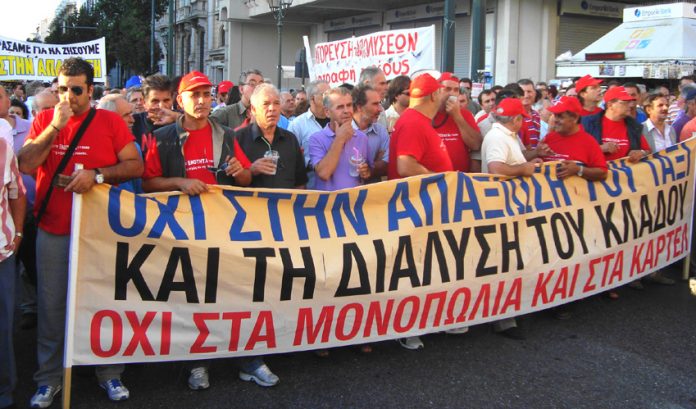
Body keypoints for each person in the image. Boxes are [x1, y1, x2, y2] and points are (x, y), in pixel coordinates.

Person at [18, 57, 143, 407]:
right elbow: (26, 164)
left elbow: (135, 164)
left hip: (100, 232)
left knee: (104, 302)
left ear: (90, 90)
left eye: (75, 90)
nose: (68, 96)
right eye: (61, 89)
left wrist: (97, 175)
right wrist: (54, 128)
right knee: (52, 306)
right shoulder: (45, 120)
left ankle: (109, 373)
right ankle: (48, 379)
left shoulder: (108, 121)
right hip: (54, 230)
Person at [388, 73, 452, 350]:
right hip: (416, 209)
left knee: (425, 267)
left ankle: (421, 321)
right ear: (435, 95)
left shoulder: (417, 121)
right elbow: (405, 166)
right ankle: (407, 326)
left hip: (425, 209)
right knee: (413, 269)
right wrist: (439, 180)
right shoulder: (414, 122)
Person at [237, 83, 308, 189]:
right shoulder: (239, 138)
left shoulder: (290, 140)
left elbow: (300, 182)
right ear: (253, 109)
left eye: (276, 103)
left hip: (285, 204)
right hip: (251, 204)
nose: (272, 108)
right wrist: (251, 170)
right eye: (266, 104)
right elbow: (229, 183)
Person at [0, 120, 26, 409]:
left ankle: (4, 392)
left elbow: (17, 194)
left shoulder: (3, 148)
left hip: (2, 254)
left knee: (2, 328)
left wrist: (17, 234)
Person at [309, 86, 372, 191]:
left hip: (354, 203)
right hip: (328, 204)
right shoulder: (316, 139)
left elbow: (369, 170)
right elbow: (324, 173)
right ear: (327, 112)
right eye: (340, 107)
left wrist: (366, 172)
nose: (346, 111)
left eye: (349, 105)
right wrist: (340, 139)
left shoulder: (362, 138)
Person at [542, 96, 608, 181]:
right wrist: (536, 156)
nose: (555, 120)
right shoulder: (548, 138)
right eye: (555, 116)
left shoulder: (588, 142)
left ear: (575, 118)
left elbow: (603, 173)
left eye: (560, 116)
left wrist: (579, 170)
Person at [581, 86, 651, 163]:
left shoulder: (634, 125)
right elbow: (576, 149)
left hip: (624, 173)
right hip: (596, 172)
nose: (630, 105)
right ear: (610, 105)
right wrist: (600, 148)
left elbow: (647, 150)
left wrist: (641, 153)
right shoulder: (587, 123)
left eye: (630, 102)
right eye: (625, 102)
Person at [433, 72, 482, 173]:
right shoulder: (428, 113)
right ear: (437, 90)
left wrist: (457, 116)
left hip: (460, 179)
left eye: (456, 90)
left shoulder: (465, 114)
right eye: (447, 89)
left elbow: (476, 145)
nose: (452, 93)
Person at [287, 79, 330, 188]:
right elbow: (290, 156)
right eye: (325, 95)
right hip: (310, 184)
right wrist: (310, 162)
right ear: (312, 98)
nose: (329, 98)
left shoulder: (337, 121)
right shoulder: (297, 124)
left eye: (331, 94)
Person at [351, 85, 389, 183]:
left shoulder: (380, 131)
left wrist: (370, 169)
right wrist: (375, 162)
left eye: (380, 103)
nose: (380, 109)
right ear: (359, 107)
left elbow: (386, 164)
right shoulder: (341, 131)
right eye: (375, 104)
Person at [131, 74, 180, 144]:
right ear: (144, 102)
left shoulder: (181, 120)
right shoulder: (134, 123)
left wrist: (177, 118)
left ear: (172, 100)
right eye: (155, 101)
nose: (161, 106)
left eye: (166, 100)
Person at [517, 79, 541, 150]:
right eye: (523, 92)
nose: (526, 95)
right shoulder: (515, 116)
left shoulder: (536, 115)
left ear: (535, 93)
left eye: (529, 91)